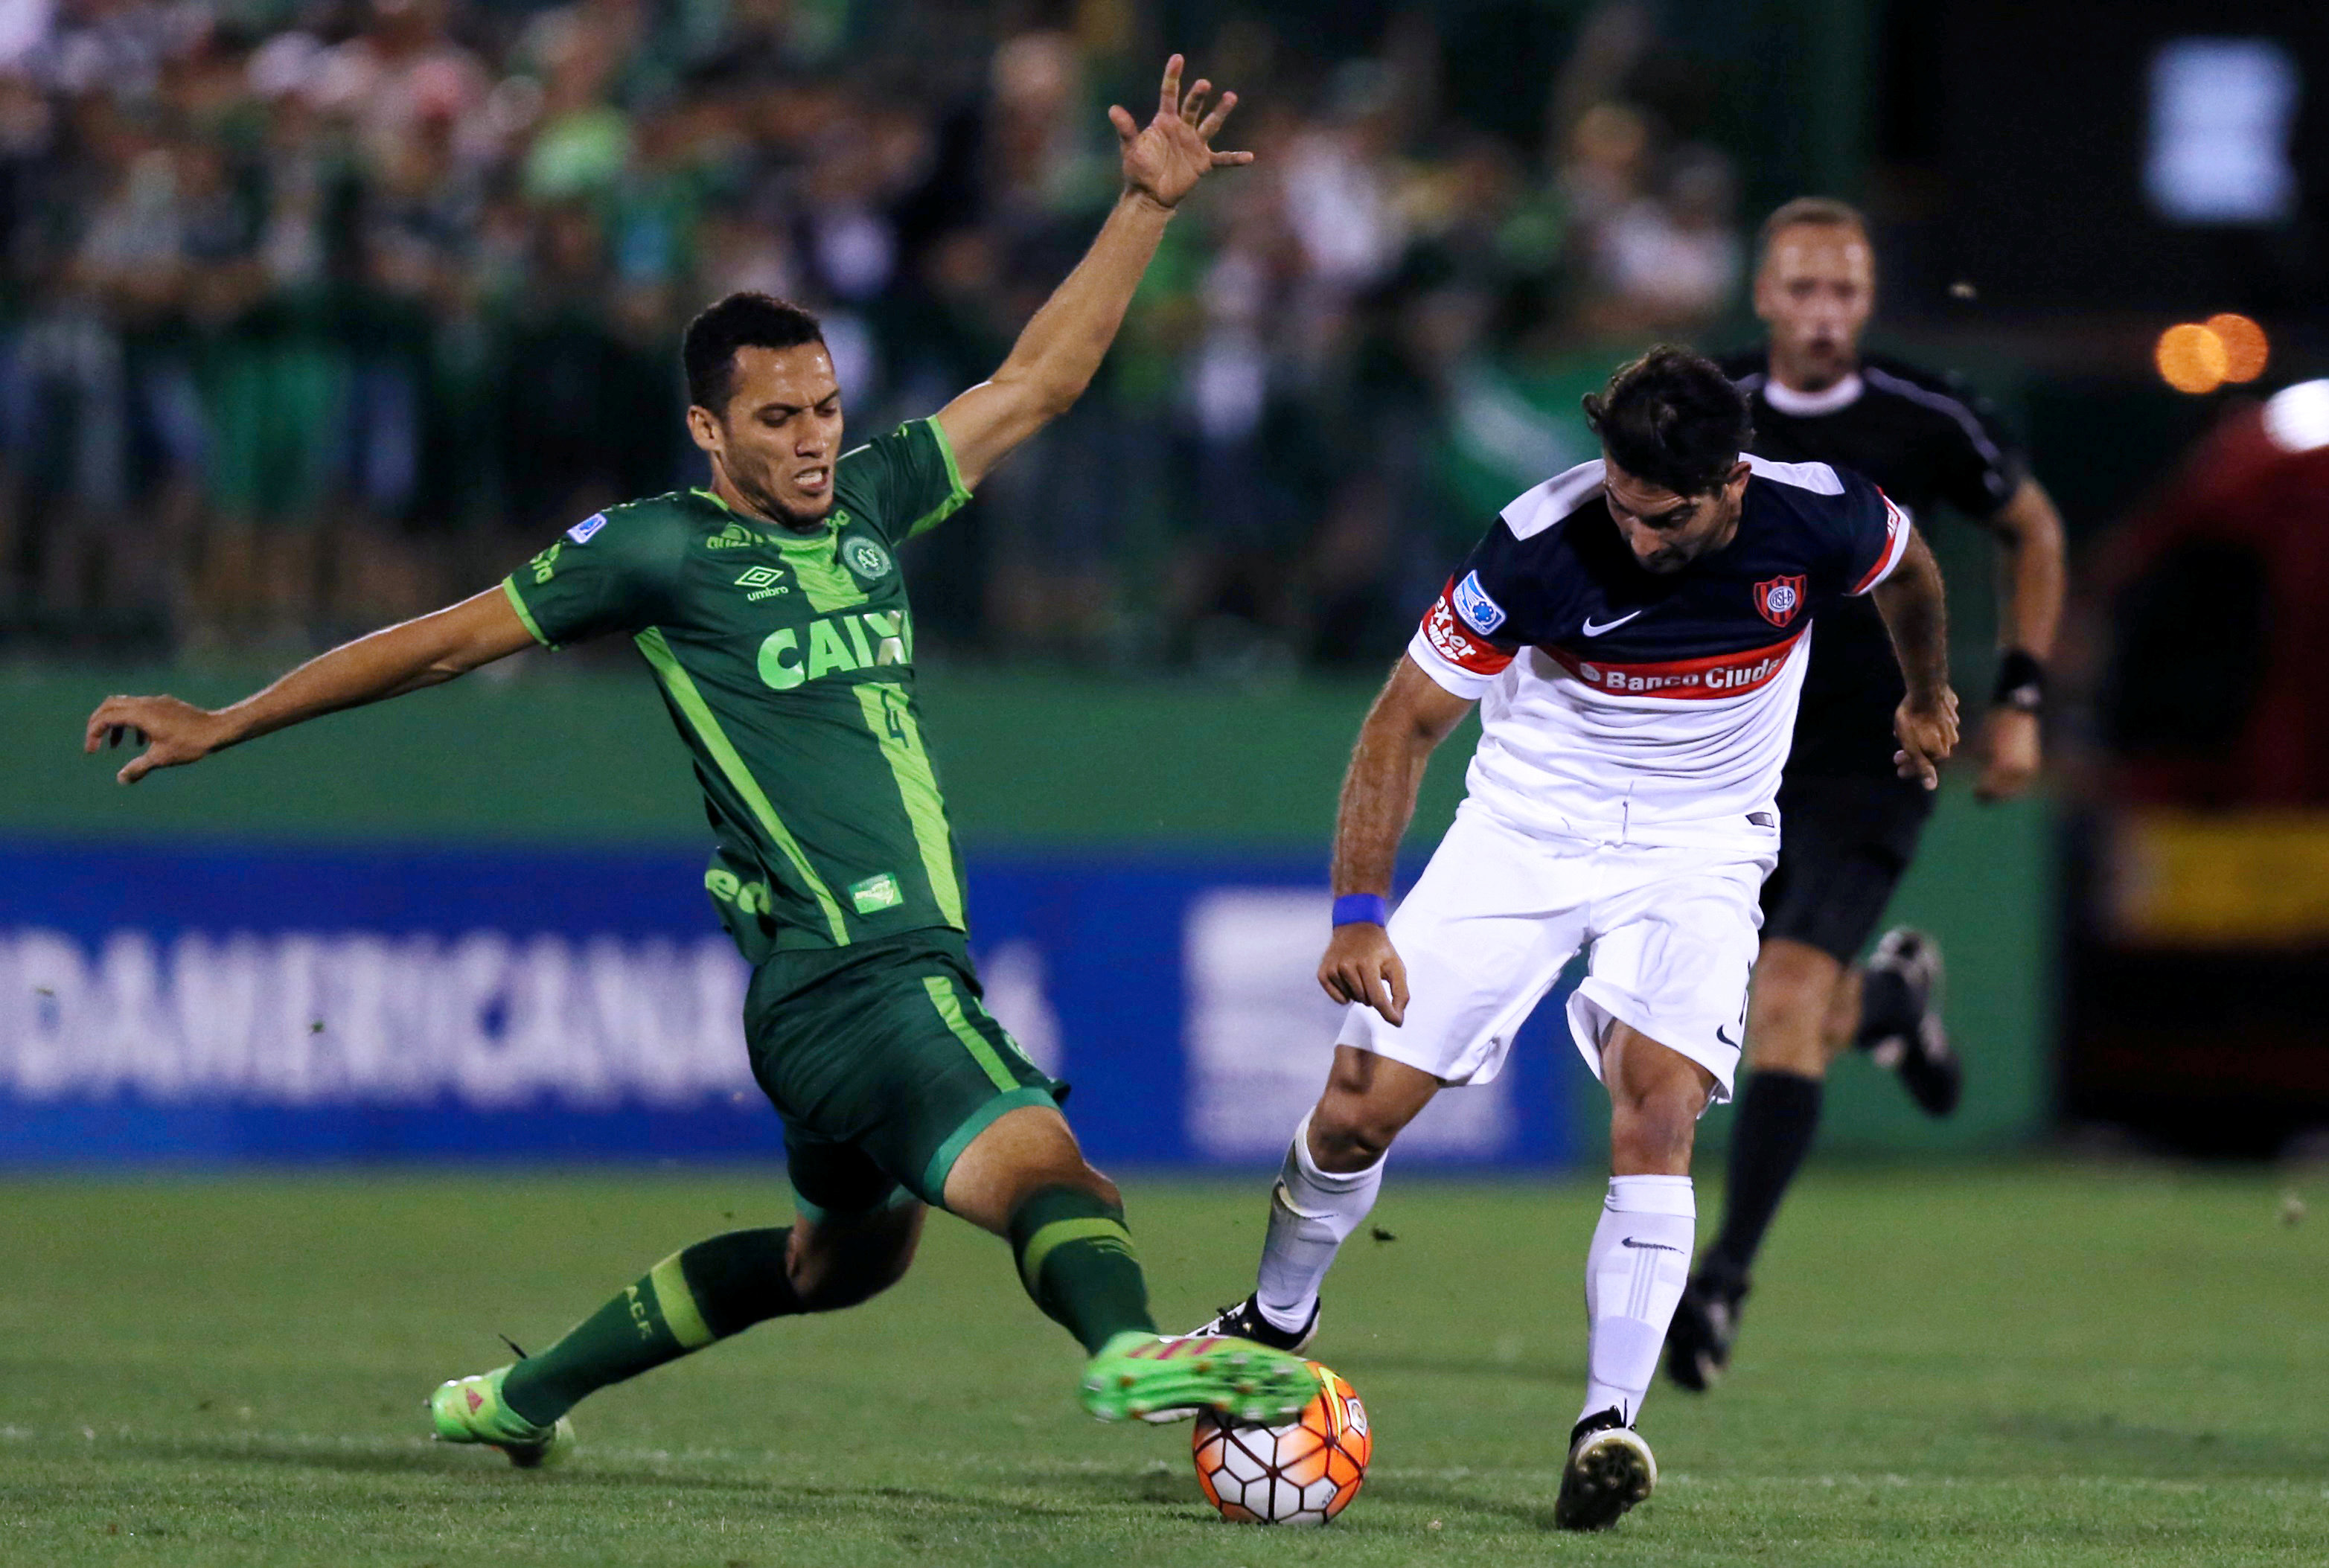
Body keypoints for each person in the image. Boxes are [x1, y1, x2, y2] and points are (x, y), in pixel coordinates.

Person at [82, 57, 1320, 1464]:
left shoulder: (871, 501)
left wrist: (1144, 212)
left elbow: (1036, 381)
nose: (810, 443)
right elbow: (443, 640)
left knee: (835, 1269)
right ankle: (1127, 1352)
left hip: (809, 1000)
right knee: (1056, 1173)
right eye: (777, 420)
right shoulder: (658, 548)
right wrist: (233, 718)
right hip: (867, 977)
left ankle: (518, 1395)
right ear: (707, 429)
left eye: (825, 409)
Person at [1190, 346, 1957, 1532]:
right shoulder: (1536, 545)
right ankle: (1271, 1325)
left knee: (1656, 1111)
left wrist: (1923, 695)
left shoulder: (1816, 515)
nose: (1636, 533)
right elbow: (1403, 723)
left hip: (1703, 848)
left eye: (1663, 517)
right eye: (1621, 501)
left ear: (1730, 487)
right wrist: (1357, 911)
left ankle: (1605, 1428)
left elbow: (1910, 574)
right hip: (1525, 831)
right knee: (1352, 1112)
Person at [1664, 197, 2066, 1393]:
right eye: (1801, 290)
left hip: (1874, 758)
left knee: (1781, 1004)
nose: (1823, 315)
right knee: (1748, 1015)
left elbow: (2031, 535)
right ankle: (1885, 1004)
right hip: (1730, 758)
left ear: (1867, 298)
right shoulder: (1703, 406)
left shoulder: (1926, 414)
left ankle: (1721, 1283)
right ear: (1762, 295)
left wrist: (2020, 700)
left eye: (1842, 292)